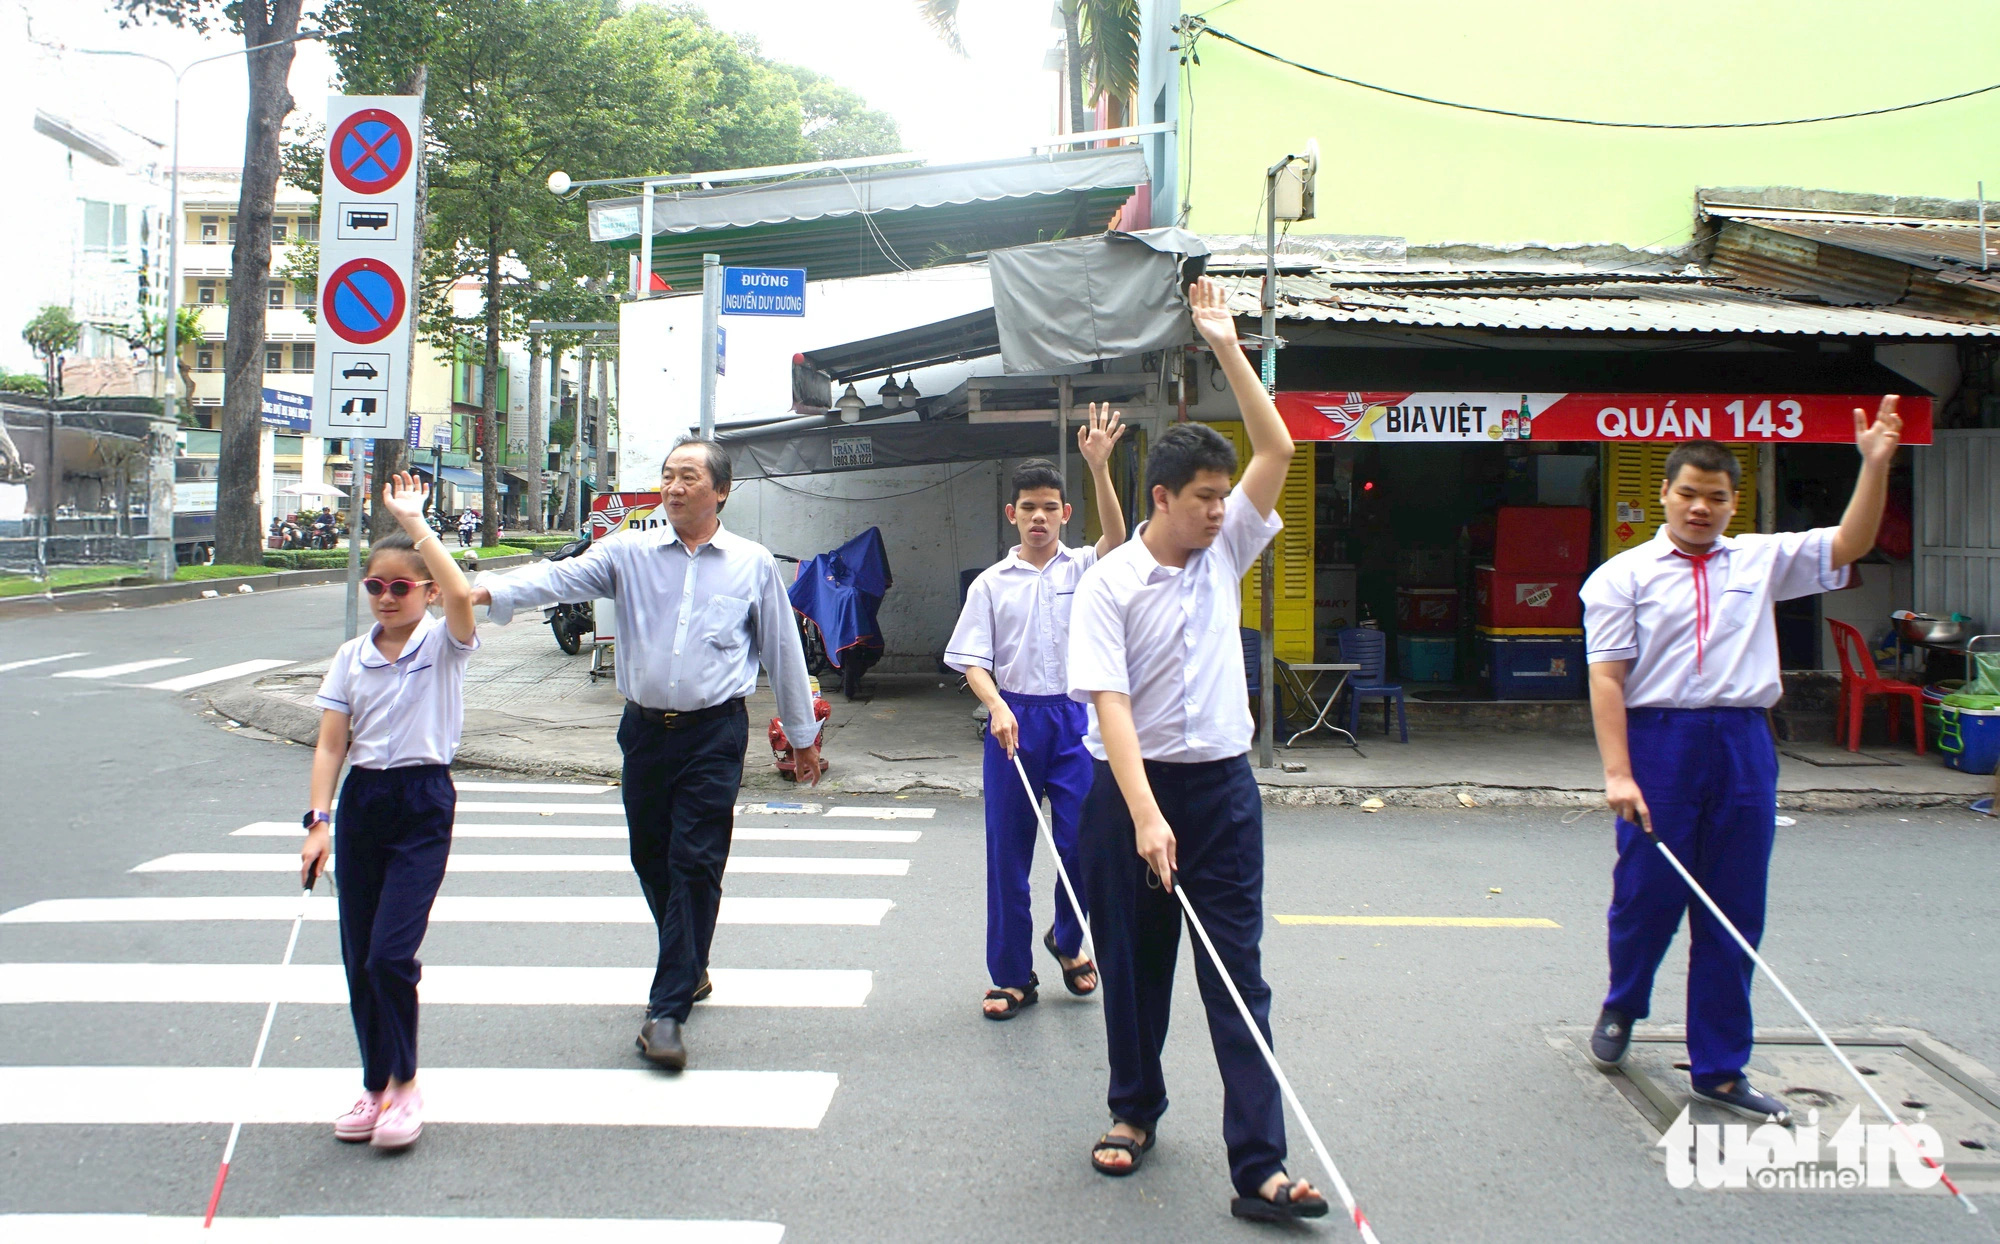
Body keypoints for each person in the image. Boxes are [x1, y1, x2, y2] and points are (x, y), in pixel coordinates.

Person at [1066, 276, 1327, 1223]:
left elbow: (1281, 446)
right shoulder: (1111, 581)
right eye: (1206, 498)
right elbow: (1111, 701)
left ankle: (1259, 1165)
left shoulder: (1227, 553)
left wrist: (1225, 344)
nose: (1224, 510)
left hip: (1221, 790)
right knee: (1135, 967)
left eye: (1228, 498)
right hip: (1128, 791)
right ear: (1163, 496)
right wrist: (1143, 817)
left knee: (1237, 976)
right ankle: (1133, 1111)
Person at [1581, 403, 1902, 1124]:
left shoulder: (1760, 560)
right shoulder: (1620, 577)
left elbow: (1850, 543)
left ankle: (1720, 1067)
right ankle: (1623, 1002)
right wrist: (1618, 772)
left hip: (1742, 743)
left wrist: (1875, 463)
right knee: (1646, 896)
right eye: (1689, 493)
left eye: (1717, 497)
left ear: (1734, 503)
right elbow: (1607, 678)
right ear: (1664, 494)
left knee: (1732, 911)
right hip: (1658, 742)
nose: (1702, 508)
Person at [470, 437, 823, 1072]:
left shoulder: (751, 563)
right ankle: (691, 965)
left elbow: (782, 652)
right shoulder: (627, 553)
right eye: (668, 475)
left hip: (715, 734)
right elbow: (555, 577)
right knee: (651, 857)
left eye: (689, 476)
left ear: (720, 491)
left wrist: (803, 739)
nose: (674, 485)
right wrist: (483, 591)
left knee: (695, 861)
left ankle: (666, 1012)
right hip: (644, 733)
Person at [299, 471, 479, 1151]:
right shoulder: (351, 658)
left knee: (389, 955)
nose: (385, 598)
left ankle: (407, 1085)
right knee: (357, 957)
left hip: (423, 800)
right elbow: (329, 746)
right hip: (364, 803)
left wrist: (415, 527)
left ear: (425, 593)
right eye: (374, 586)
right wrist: (317, 824)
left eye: (400, 587)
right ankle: (375, 1086)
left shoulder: (443, 644)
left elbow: (462, 593)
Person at [945, 407, 1127, 1021]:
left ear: (1065, 514)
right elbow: (972, 659)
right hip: (1014, 725)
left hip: (1077, 722)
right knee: (1009, 855)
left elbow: (1120, 542)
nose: (1040, 517)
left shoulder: (1084, 567)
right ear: (1013, 514)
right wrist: (995, 705)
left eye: (1051, 506)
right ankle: (1012, 975)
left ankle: (1068, 941)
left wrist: (1099, 468)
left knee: (1084, 845)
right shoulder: (991, 584)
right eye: (1030, 508)